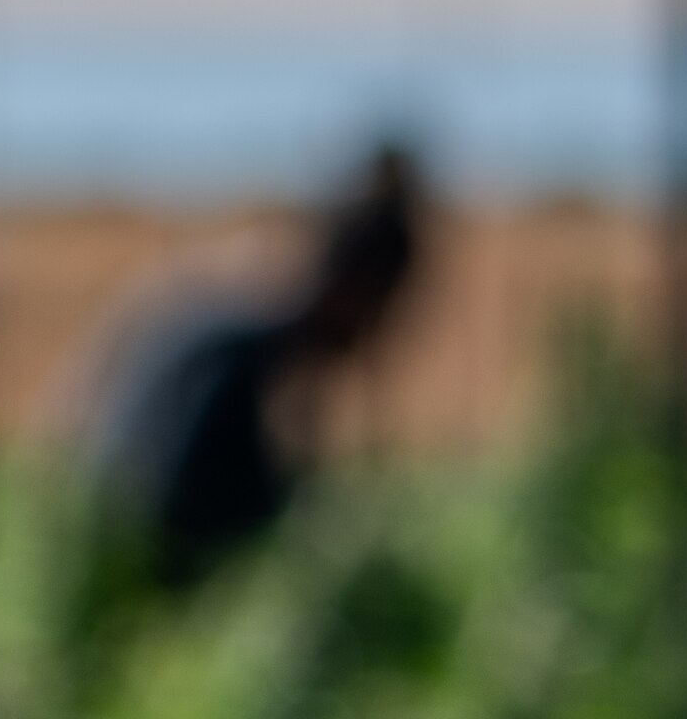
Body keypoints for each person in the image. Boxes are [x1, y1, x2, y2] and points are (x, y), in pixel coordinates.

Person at [86, 136, 430, 575]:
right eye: (380, 311)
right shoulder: (243, 346)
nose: (378, 334)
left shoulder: (257, 315)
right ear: (355, 290)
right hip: (136, 544)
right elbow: (201, 500)